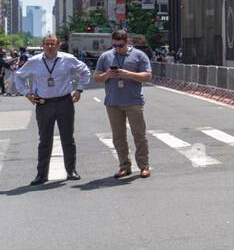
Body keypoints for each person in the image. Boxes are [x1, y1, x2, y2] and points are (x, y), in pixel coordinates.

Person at [14, 35, 91, 185]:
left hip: (65, 102)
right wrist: (27, 93)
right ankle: (41, 175)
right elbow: (19, 77)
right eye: (47, 44)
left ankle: (71, 171)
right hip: (44, 104)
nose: (50, 47)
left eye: (53, 44)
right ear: (42, 46)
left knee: (68, 138)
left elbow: (85, 71)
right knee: (45, 140)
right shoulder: (34, 61)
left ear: (58, 45)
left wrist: (79, 89)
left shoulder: (68, 59)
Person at [93, 30, 153, 179]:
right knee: (118, 137)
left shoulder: (139, 55)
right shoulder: (105, 56)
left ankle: (144, 166)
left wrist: (128, 74)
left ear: (127, 42)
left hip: (134, 102)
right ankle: (124, 167)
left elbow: (148, 76)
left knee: (139, 135)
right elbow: (96, 78)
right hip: (113, 103)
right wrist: (107, 75)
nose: (117, 48)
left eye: (120, 45)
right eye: (114, 45)